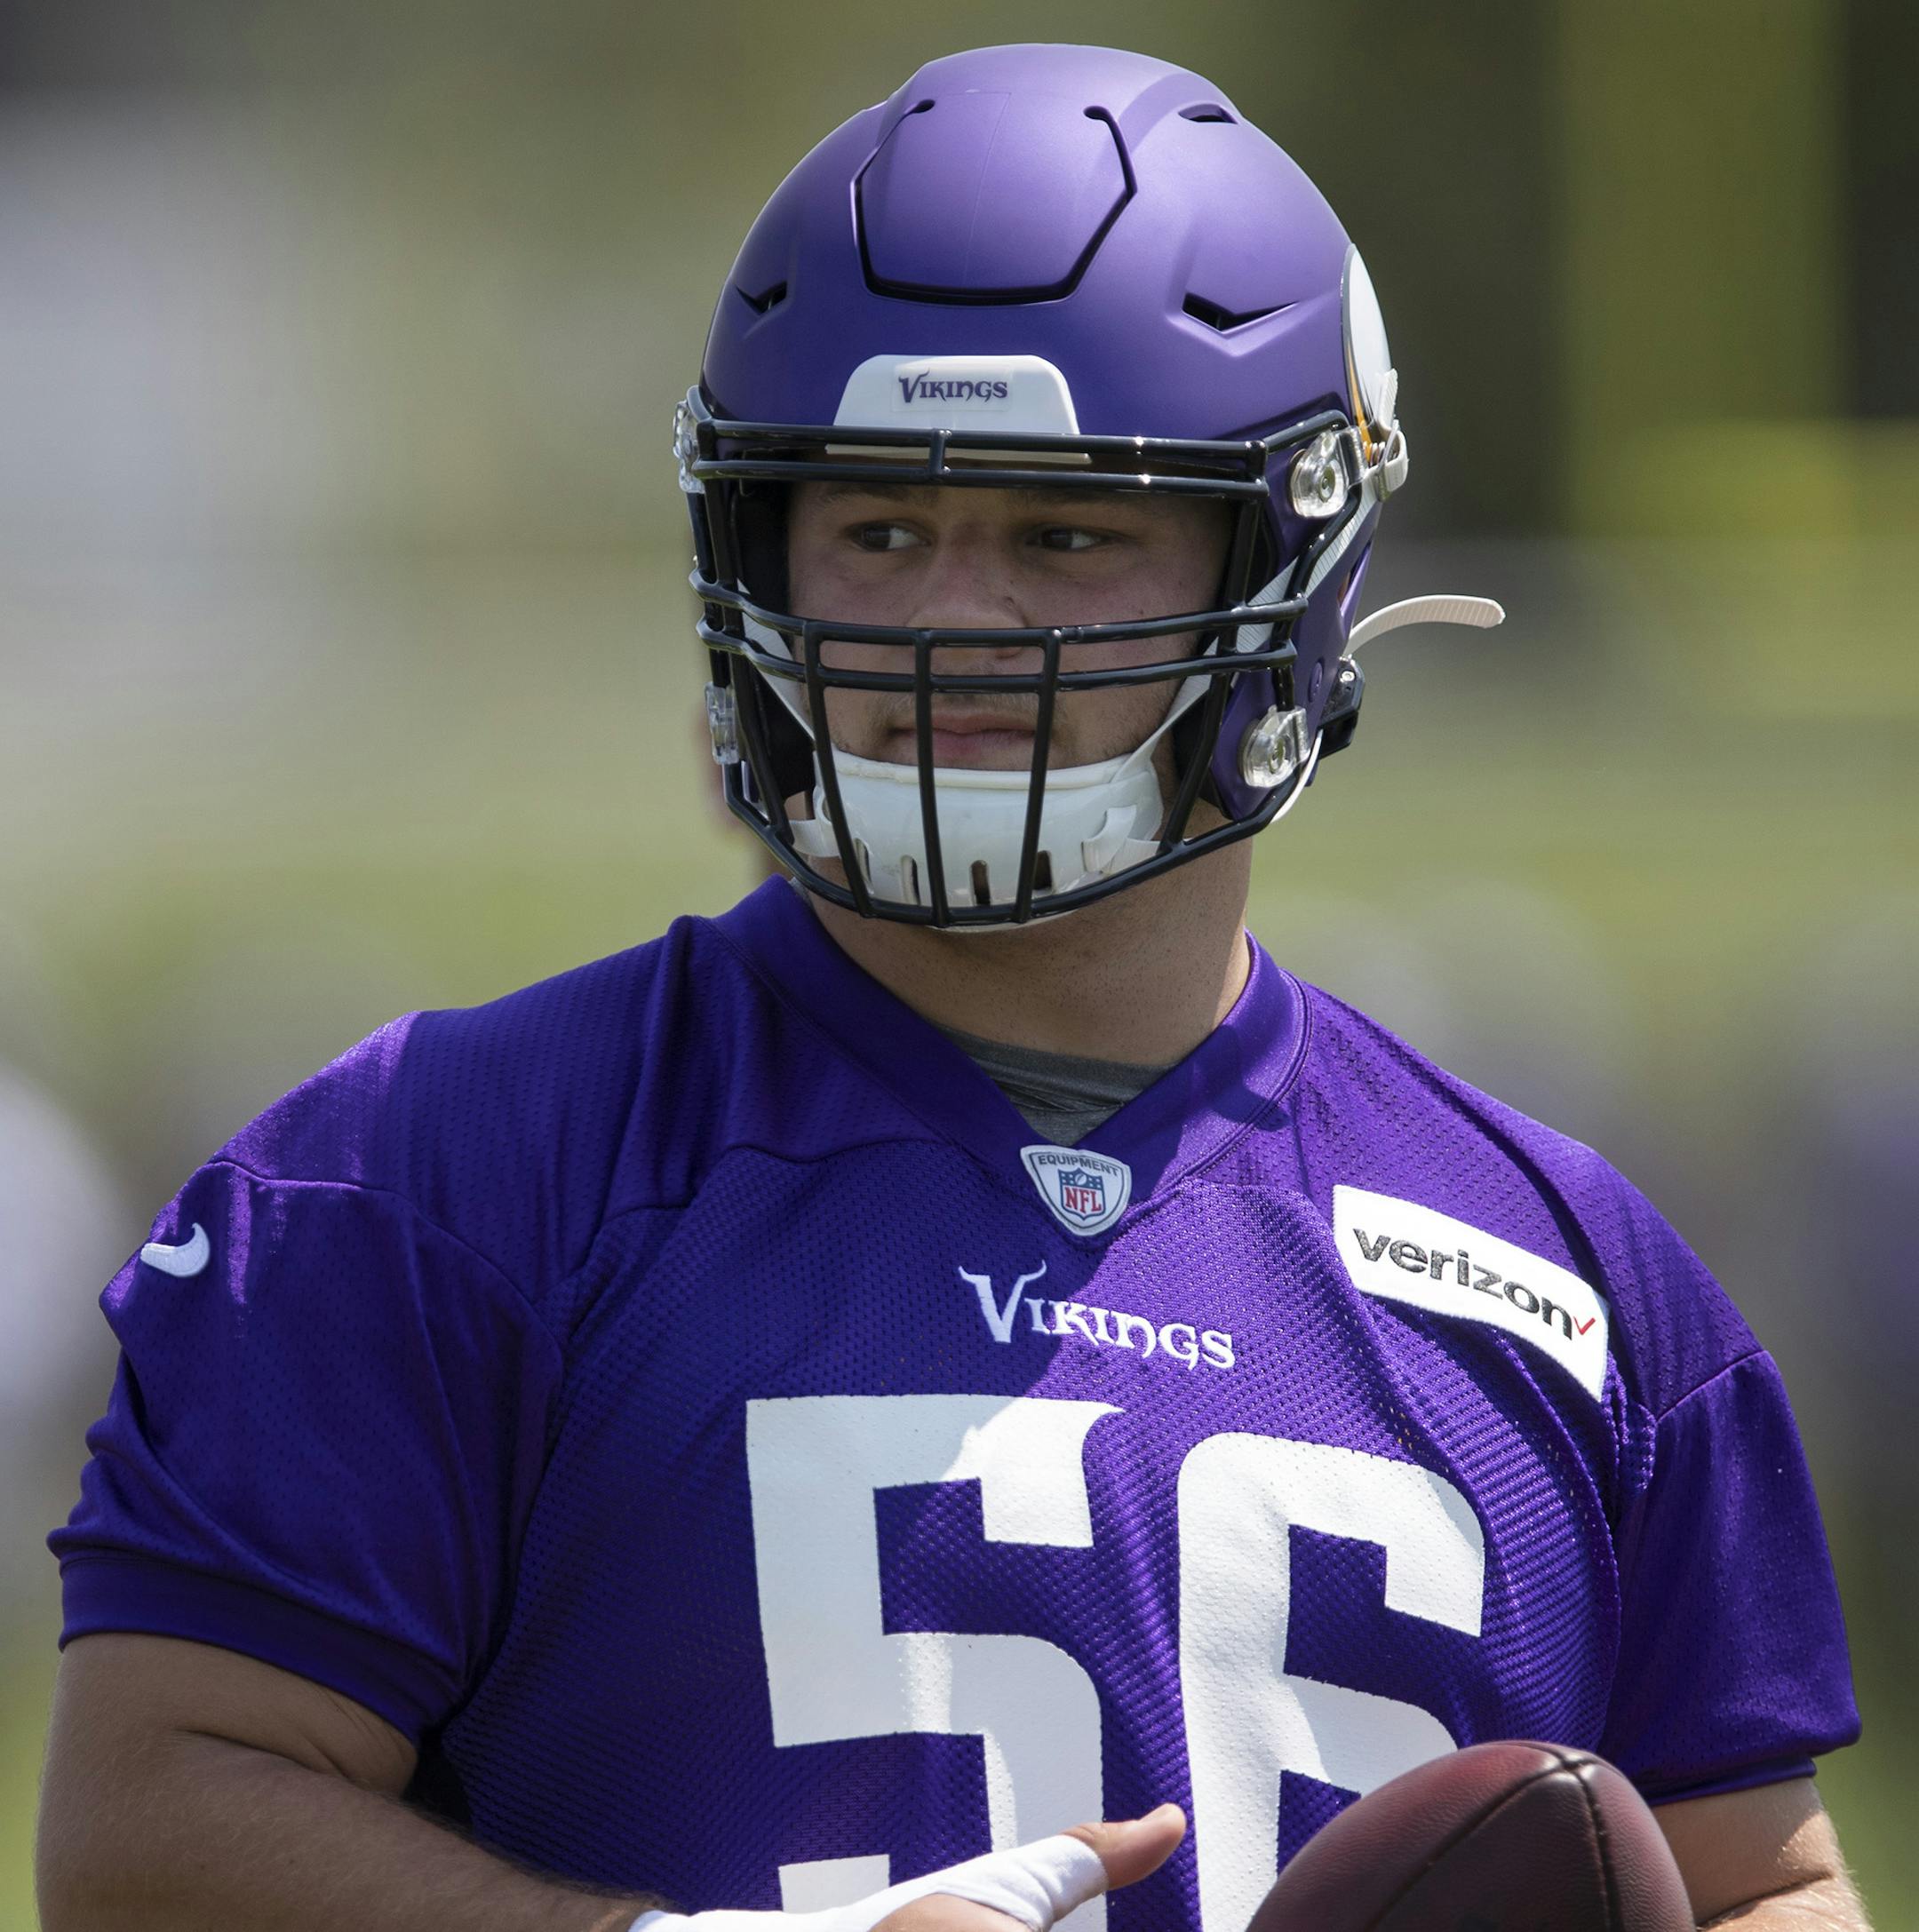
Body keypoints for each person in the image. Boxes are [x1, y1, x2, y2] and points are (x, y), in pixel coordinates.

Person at [36, 43, 1867, 1932]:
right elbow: (148, 1837)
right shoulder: (434, 1175)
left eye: (1066, 533)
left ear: (1297, 561)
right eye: (879, 531)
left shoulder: (1573, 1276)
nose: (950, 619)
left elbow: (1758, 1883)